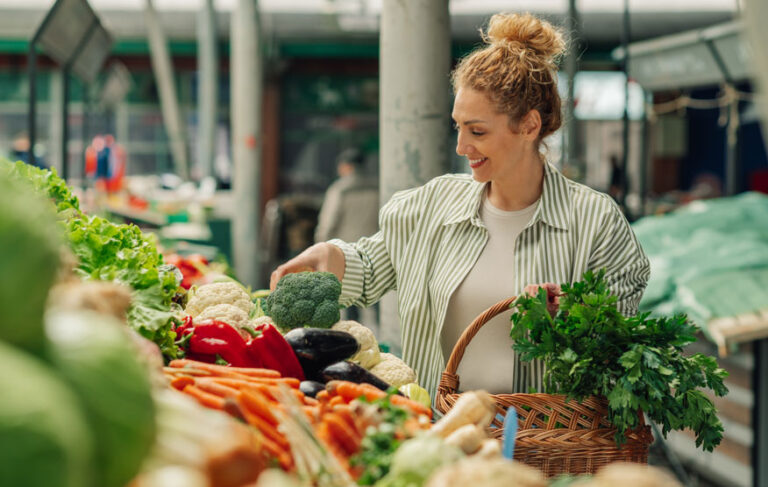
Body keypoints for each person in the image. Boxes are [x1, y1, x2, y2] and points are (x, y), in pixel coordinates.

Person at [271, 13, 650, 397]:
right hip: (438, 435)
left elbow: (626, 343)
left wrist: (574, 316)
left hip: (544, 447)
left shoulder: (596, 222)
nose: (461, 147)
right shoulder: (430, 206)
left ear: (530, 126)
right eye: (459, 126)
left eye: (478, 131)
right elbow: (369, 267)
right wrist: (331, 255)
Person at [314, 148, 380, 326]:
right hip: (374, 249)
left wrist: (320, 246)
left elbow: (328, 222)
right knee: (376, 297)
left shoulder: (340, 190)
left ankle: (355, 338)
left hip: (347, 251)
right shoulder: (377, 188)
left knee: (351, 300)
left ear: (346, 166)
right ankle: (381, 336)